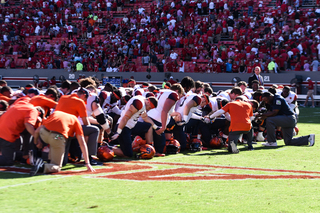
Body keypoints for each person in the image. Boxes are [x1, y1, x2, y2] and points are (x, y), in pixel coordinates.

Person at [30, 111, 95, 176]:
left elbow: (37, 131)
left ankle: (42, 157)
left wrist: (36, 142)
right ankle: (42, 166)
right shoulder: (75, 120)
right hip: (57, 137)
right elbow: (82, 143)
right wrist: (87, 163)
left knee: (53, 143)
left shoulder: (56, 113)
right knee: (57, 167)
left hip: (43, 133)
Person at [0, 100, 42, 166]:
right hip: (6, 135)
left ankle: (25, 155)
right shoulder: (33, 111)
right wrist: (37, 139)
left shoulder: (21, 105)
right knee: (8, 161)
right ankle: (24, 155)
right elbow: (28, 124)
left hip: (3, 130)